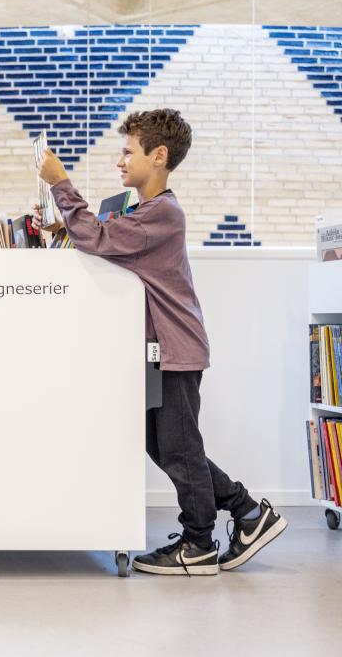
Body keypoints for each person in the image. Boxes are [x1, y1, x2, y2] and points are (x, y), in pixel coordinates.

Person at [35, 109, 286, 575]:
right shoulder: (145, 213)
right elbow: (103, 240)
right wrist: (64, 227)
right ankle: (248, 512)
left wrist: (60, 183)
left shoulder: (161, 214)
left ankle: (199, 545)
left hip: (174, 351)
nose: (120, 161)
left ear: (159, 155)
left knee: (179, 449)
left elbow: (99, 237)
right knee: (166, 446)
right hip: (161, 353)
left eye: (128, 152)